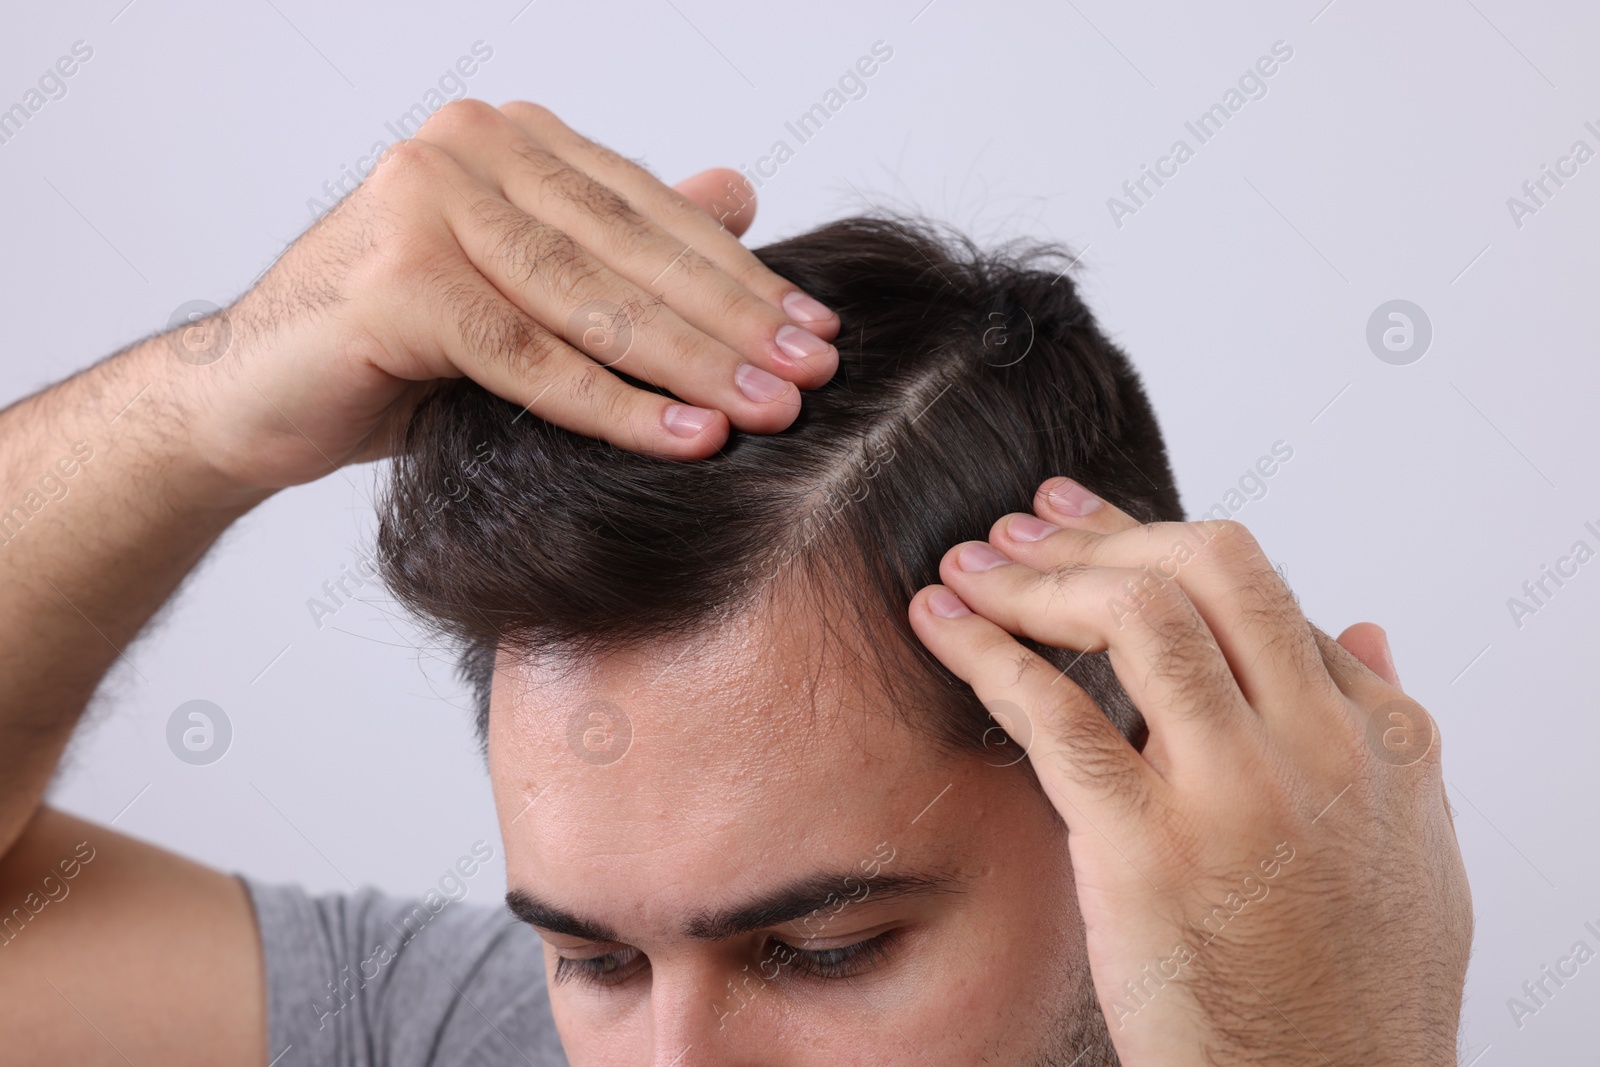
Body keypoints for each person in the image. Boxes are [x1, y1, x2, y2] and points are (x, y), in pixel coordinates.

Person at [0, 100, 1470, 1066]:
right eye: (594, 960)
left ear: (1149, 793)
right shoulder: (462, 1033)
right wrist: (203, 408)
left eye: (821, 953)